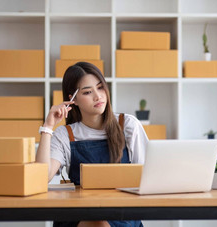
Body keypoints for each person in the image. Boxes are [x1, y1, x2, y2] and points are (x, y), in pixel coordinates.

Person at [36, 62, 149, 227]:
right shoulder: (65, 135)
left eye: (100, 87)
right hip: (80, 214)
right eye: (88, 92)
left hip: (121, 213)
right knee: (96, 222)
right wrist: (47, 127)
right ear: (72, 99)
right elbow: (40, 177)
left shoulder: (128, 125)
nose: (98, 96)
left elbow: (147, 175)